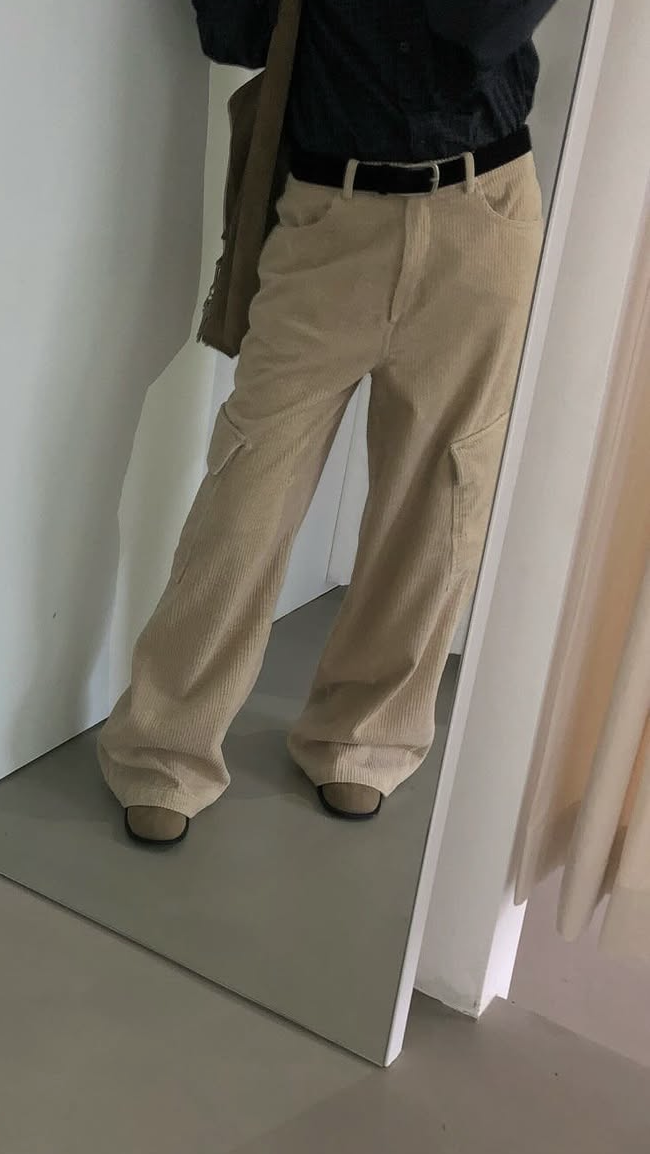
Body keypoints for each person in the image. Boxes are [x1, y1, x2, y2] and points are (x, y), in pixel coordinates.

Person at [100, 0, 560, 845]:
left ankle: (364, 738)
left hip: (480, 210)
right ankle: (165, 746)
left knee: (441, 493)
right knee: (248, 482)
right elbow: (234, 34)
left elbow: (479, 30)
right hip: (324, 214)